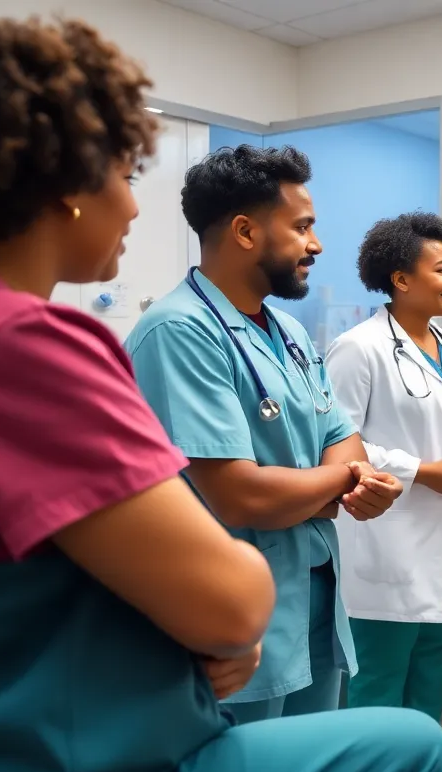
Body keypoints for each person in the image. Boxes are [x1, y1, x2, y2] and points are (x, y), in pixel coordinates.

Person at [0, 3, 442, 772]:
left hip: (270, 605)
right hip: (75, 763)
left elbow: (329, 436)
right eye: (125, 177)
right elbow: (232, 558)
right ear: (64, 185)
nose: (135, 210)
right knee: (410, 751)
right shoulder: (36, 342)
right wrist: (335, 482)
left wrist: (327, 474)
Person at [125, 144, 403, 723]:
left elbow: (341, 436)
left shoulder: (291, 332)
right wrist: (346, 480)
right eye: (302, 227)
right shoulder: (178, 331)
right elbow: (240, 495)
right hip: (230, 608)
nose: (317, 244)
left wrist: (340, 479)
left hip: (314, 589)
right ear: (246, 232)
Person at [324, 211, 442, 772]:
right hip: (388, 526)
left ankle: (422, 767)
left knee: (433, 650)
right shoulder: (358, 348)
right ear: (400, 278)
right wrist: (421, 470)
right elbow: (336, 438)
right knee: (380, 660)